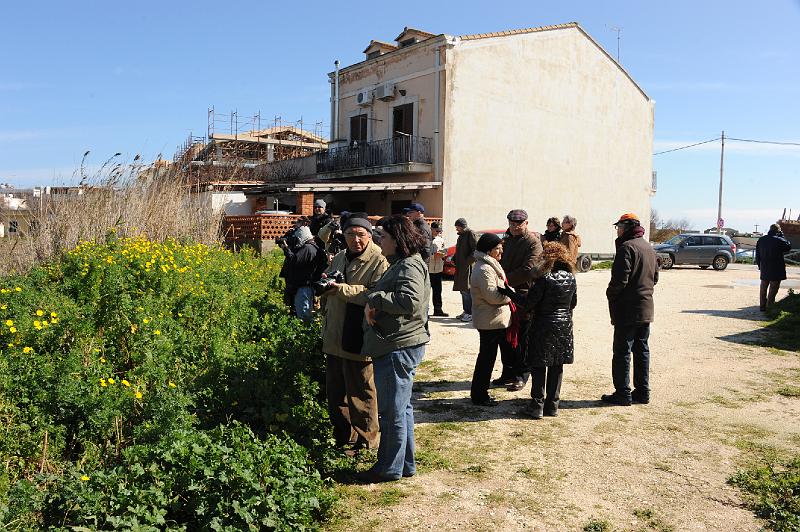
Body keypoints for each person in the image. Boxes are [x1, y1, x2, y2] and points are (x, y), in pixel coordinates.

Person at [357, 215, 431, 483]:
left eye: (384, 237)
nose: (380, 241)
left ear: (398, 240)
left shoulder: (408, 266)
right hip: (399, 343)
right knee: (402, 408)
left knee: (392, 412)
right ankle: (404, 465)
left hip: (397, 346)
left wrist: (375, 297)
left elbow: (409, 302)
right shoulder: (404, 263)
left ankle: (388, 468)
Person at [320, 214, 388, 454]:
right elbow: (328, 278)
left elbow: (376, 294)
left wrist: (342, 290)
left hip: (359, 335)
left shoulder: (379, 261)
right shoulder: (339, 257)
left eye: (361, 234)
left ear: (369, 235)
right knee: (336, 393)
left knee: (362, 393)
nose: (355, 240)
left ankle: (367, 441)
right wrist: (325, 284)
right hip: (335, 333)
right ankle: (343, 438)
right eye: (351, 234)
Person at [513, 242, 577, 419]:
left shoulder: (544, 278)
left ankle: (537, 405)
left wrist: (509, 293)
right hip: (564, 325)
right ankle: (553, 405)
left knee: (539, 365)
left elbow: (528, 303)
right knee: (557, 365)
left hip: (543, 324)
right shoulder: (571, 278)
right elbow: (573, 303)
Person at [602, 213, 659, 406]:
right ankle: (642, 392)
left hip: (627, 309)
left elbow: (620, 280)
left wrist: (610, 294)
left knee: (622, 352)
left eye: (618, 226)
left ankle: (623, 393)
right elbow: (655, 278)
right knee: (642, 350)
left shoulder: (627, 247)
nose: (617, 230)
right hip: (645, 307)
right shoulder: (649, 247)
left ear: (626, 227)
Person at [498, 209, 543, 391]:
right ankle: (508, 372)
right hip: (505, 294)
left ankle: (522, 375)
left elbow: (528, 270)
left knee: (523, 339)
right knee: (505, 338)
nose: (515, 226)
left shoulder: (533, 243)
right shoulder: (506, 241)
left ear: (526, 223)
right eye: (511, 223)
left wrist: (504, 281)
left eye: (518, 223)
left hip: (523, 296)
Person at [469, 232, 511, 406]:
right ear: (489, 250)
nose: (501, 251)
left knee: (488, 357)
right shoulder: (484, 268)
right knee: (486, 359)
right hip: (489, 320)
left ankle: (480, 393)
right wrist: (510, 297)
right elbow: (492, 296)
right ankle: (479, 395)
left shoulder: (489, 265)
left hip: (492, 319)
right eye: (498, 248)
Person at [279, 225, 328, 321]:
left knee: (304, 314)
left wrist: (286, 248)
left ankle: (305, 332)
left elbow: (294, 260)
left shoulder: (308, 248)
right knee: (302, 310)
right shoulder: (313, 247)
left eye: (297, 238)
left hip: (304, 286)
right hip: (305, 285)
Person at [755, 223, 793, 311]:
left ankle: (762, 306)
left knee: (763, 287)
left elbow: (757, 254)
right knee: (774, 287)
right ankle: (770, 306)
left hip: (764, 266)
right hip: (776, 267)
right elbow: (788, 247)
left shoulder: (761, 240)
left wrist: (759, 265)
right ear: (778, 231)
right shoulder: (779, 240)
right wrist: (782, 236)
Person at [452, 218, 477, 322]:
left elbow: (475, 250)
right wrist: (454, 258)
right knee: (463, 290)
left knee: (467, 290)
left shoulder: (470, 234)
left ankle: (470, 313)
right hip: (461, 267)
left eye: (457, 227)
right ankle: (466, 310)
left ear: (462, 226)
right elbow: (459, 250)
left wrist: (466, 262)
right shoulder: (461, 236)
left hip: (468, 267)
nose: (456, 229)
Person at [429, 222, 448, 316]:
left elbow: (445, 251)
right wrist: (436, 254)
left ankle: (438, 309)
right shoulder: (427, 239)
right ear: (431, 229)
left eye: (440, 231)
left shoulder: (440, 240)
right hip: (428, 269)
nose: (438, 232)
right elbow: (430, 254)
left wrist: (442, 254)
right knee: (425, 292)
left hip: (438, 269)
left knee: (437, 291)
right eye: (437, 230)